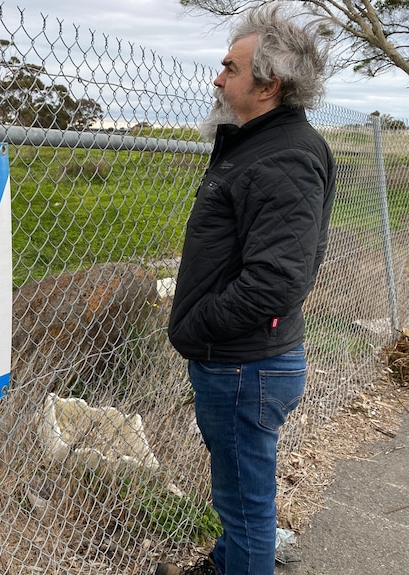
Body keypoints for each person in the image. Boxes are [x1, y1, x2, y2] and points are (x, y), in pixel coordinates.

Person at [158, 5, 336, 575]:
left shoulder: (282, 155)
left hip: (243, 365)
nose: (217, 77)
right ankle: (224, 565)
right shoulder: (261, 144)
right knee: (238, 493)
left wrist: (196, 324)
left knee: (247, 507)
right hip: (248, 360)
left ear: (269, 84)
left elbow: (276, 280)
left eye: (230, 68)